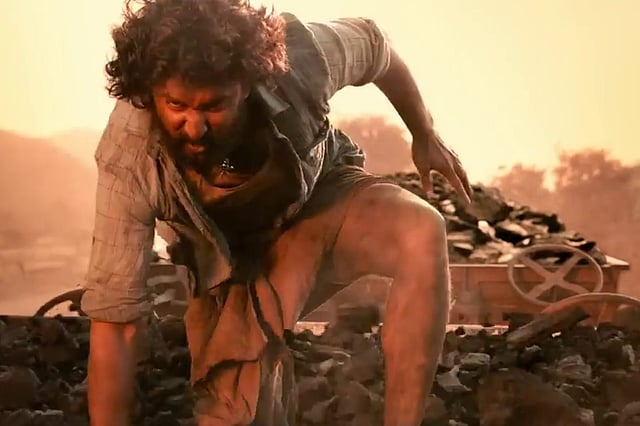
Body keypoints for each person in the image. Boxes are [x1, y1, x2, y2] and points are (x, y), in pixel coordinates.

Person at [81, 0, 473, 425]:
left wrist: (424, 131)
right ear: (148, 91)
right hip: (235, 262)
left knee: (420, 230)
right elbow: (116, 321)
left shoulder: (301, 59)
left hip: (323, 202)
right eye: (176, 106)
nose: (195, 127)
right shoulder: (129, 158)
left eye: (214, 106)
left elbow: (375, 45)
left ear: (249, 84)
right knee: (236, 415)